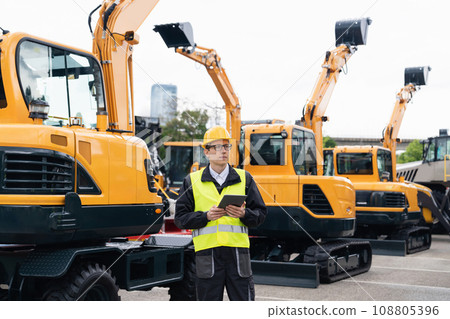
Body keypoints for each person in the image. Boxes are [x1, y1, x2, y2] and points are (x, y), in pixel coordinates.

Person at [175, 126, 267, 301]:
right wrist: (205, 216)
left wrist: (243, 214)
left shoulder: (245, 178)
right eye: (217, 147)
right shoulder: (192, 181)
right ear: (206, 152)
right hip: (207, 255)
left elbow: (261, 214)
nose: (223, 151)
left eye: (226, 147)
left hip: (238, 254)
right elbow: (180, 219)